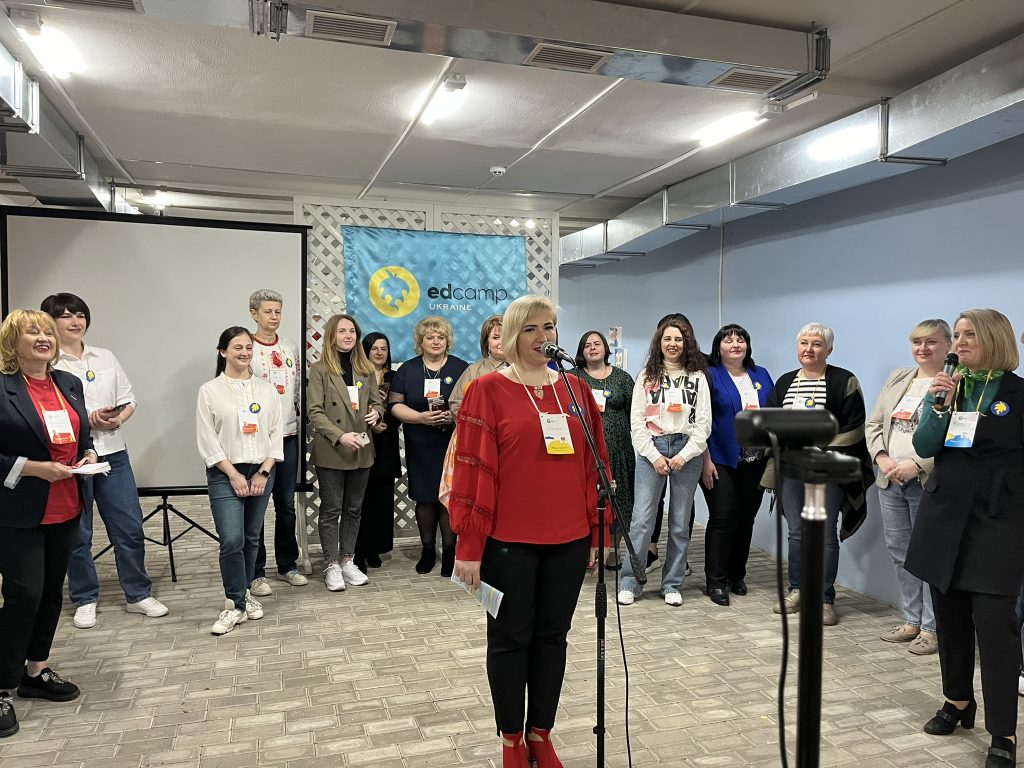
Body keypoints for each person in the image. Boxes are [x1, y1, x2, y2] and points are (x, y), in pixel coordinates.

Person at [450, 295, 611, 768]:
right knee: (508, 639)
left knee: (552, 638)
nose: (544, 337)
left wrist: (599, 533)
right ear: (511, 336)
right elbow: (471, 470)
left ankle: (541, 732)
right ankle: (511, 740)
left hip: (569, 540)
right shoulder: (487, 390)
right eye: (532, 329)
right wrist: (469, 546)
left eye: (550, 327)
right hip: (506, 546)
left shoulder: (575, 391)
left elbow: (596, 466)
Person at [905, 308, 1024, 768]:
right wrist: (939, 405)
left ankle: (1003, 732)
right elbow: (924, 446)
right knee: (950, 619)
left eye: (969, 334)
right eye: (956, 335)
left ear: (994, 338)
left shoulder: (1017, 393)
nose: (959, 343)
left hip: (998, 521)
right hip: (944, 519)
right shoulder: (948, 388)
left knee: (995, 629)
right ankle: (957, 701)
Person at [42, 292, 169, 630]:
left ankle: (138, 594)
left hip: (113, 454)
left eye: (80, 315)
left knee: (129, 527)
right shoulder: (48, 363)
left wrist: (117, 419)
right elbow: (47, 411)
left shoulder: (105, 356)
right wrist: (88, 419)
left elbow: (129, 398)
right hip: (73, 460)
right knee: (78, 534)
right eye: (65, 315)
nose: (75, 321)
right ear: (50, 322)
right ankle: (84, 598)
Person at [0, 309, 97, 737]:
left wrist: (89, 454)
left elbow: (81, 435)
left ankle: (35, 672)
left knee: (52, 592)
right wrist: (33, 468)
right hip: (17, 509)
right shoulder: (3, 387)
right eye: (32, 332)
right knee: (24, 594)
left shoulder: (68, 383)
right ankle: (1, 685)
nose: (44, 337)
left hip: (67, 504)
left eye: (47, 332)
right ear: (12, 341)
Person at [764, 322, 872, 626]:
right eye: (804, 343)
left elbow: (854, 426)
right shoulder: (785, 382)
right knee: (797, 531)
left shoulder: (844, 380)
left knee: (824, 534)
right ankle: (797, 590)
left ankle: (824, 599)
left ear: (829, 350)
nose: (809, 349)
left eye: (816, 344)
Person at [865, 319, 952, 655]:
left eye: (931, 342)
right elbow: (874, 424)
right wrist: (882, 458)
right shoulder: (899, 378)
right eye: (917, 342)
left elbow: (951, 437)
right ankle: (912, 619)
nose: (923, 348)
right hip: (889, 479)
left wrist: (917, 465)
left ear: (948, 346)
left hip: (925, 481)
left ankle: (932, 627)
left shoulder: (953, 382)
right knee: (900, 553)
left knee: (927, 556)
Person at [617, 317, 711, 607]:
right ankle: (630, 582)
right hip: (652, 449)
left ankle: (672, 584)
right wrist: (655, 456)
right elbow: (636, 422)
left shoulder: (697, 377)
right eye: (668, 339)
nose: (673, 344)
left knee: (680, 523)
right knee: (642, 521)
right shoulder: (647, 376)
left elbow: (704, 423)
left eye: (679, 339)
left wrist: (684, 455)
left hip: (687, 450)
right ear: (659, 343)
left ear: (687, 344)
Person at [196, 327, 283, 635]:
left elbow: (277, 434)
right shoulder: (209, 391)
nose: (244, 353)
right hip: (225, 473)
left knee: (251, 537)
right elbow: (207, 439)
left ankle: (242, 596)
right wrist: (233, 474)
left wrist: (263, 472)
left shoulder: (267, 390)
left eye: (248, 347)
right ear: (223, 352)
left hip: (261, 470)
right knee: (231, 539)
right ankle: (234, 604)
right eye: (237, 347)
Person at [307, 314, 383, 591]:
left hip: (361, 446)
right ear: (331, 336)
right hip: (333, 448)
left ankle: (347, 560)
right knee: (331, 510)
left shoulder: (365, 369)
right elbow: (315, 411)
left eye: (352, 331)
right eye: (342, 331)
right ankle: (331, 564)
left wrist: (377, 413)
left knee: (354, 510)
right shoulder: (319, 370)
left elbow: (377, 402)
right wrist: (340, 436)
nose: (348, 336)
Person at [700, 324, 774, 606]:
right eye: (728, 340)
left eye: (740, 339)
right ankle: (716, 581)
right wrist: (705, 459)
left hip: (756, 459)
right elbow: (700, 419)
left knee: (746, 517)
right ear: (718, 347)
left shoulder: (760, 374)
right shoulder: (710, 375)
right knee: (723, 516)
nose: (735, 344)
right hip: (720, 458)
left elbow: (773, 411)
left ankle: (736, 575)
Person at [389, 316, 469, 576]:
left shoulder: (461, 367)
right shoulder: (408, 369)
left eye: (441, 337)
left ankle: (450, 552)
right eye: (430, 337)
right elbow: (395, 405)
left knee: (448, 498)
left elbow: (471, 403)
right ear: (420, 341)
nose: (436, 341)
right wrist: (420, 417)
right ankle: (427, 550)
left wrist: (453, 416)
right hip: (420, 443)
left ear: (448, 341)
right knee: (424, 498)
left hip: (451, 443)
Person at [247, 289, 306, 595]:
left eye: (278, 311)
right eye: (268, 311)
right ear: (254, 314)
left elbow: (296, 392)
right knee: (256, 507)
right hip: (257, 441)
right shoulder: (247, 347)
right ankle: (256, 572)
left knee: (286, 505)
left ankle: (287, 565)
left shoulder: (289, 347)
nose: (274, 317)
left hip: (288, 437)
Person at [572, 330, 635, 568]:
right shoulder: (572, 378)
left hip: (619, 452)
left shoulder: (622, 378)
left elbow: (634, 413)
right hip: (584, 454)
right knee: (586, 500)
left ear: (605, 348)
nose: (592, 348)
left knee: (620, 500)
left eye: (597, 343)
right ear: (581, 351)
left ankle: (614, 550)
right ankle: (587, 549)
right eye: (587, 345)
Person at [355, 331, 400, 573]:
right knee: (361, 499)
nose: (380, 353)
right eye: (374, 348)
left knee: (382, 499)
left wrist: (386, 420)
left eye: (384, 348)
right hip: (362, 440)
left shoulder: (394, 377)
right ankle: (359, 550)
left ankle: (375, 548)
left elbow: (402, 406)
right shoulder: (358, 374)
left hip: (386, 442)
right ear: (365, 351)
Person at [449, 314, 506, 416]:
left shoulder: (527, 368)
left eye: (507, 337)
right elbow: (456, 404)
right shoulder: (473, 370)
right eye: (496, 338)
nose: (501, 342)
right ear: (486, 342)